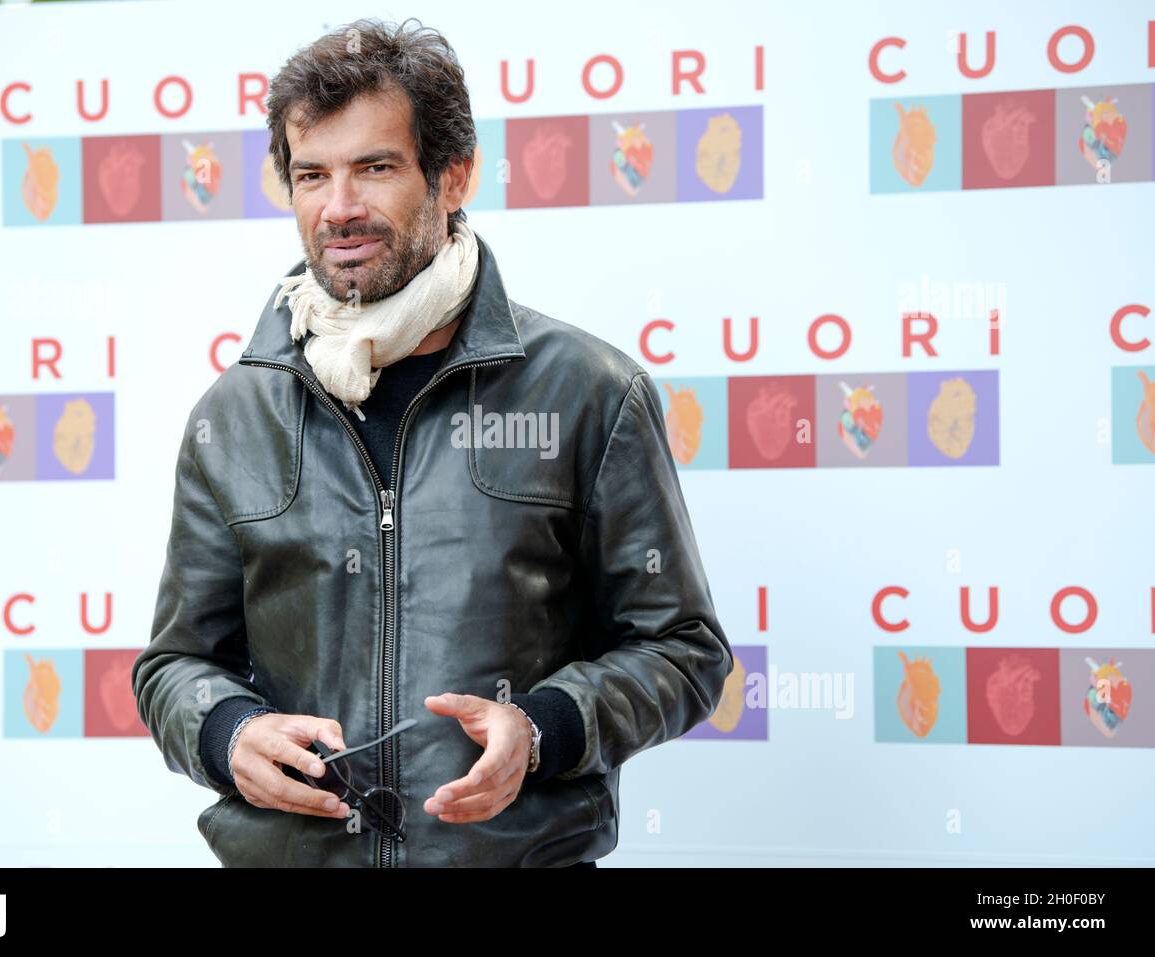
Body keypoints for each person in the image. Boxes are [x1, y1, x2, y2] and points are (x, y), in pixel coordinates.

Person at [131, 16, 732, 868]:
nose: (338, 208)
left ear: (455, 175)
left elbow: (682, 648)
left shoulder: (589, 390)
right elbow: (176, 663)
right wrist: (227, 730)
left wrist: (545, 727)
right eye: (312, 175)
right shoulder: (234, 414)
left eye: (374, 168)